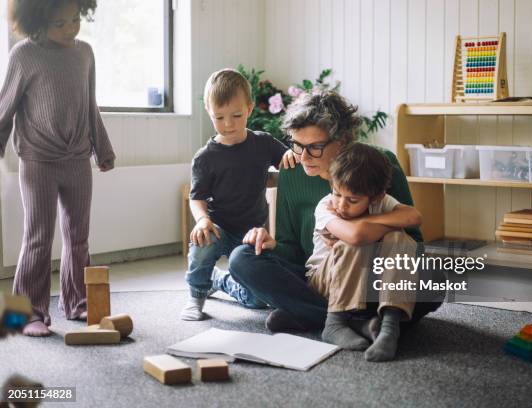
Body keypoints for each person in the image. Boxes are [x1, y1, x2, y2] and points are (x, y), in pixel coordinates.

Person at [228, 90, 444, 361]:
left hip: (381, 278)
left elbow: (412, 240)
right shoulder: (292, 171)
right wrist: (271, 243)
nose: (303, 156)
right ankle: (357, 322)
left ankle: (308, 315)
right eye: (296, 144)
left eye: (314, 147)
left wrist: (361, 232)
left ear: (341, 141)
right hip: (323, 275)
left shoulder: (379, 163)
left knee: (435, 278)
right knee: (243, 259)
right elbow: (293, 250)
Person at [0, 0, 115, 337]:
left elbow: (89, 104)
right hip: (38, 160)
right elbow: (5, 108)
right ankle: (24, 314)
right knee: (37, 238)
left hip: (77, 159)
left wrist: (102, 149)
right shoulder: (24, 54)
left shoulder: (85, 54)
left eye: (75, 19)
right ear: (37, 21)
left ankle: (77, 302)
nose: (70, 29)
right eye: (59, 23)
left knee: (78, 236)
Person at [181, 68, 288, 320]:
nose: (228, 124)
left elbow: (288, 162)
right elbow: (196, 198)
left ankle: (220, 281)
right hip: (218, 227)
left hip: (252, 233)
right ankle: (197, 294)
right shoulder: (205, 158)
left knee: (258, 301)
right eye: (219, 117)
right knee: (203, 240)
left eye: (237, 115)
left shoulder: (263, 143)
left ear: (249, 109)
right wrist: (203, 220)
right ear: (209, 112)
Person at [308, 142, 422, 361]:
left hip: (366, 283)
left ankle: (390, 326)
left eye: (352, 200)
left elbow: (414, 217)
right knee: (353, 242)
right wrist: (374, 226)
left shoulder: (382, 203)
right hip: (322, 281)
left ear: (376, 197)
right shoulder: (325, 207)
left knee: (399, 238)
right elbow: (356, 236)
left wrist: (369, 222)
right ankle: (334, 323)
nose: (341, 205)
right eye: (337, 193)